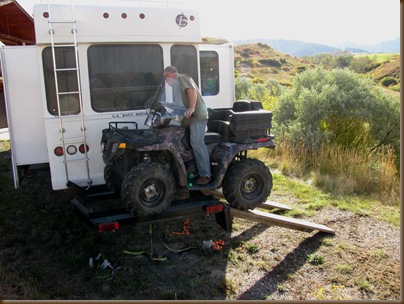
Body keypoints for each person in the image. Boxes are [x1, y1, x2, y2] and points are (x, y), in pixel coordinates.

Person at [163, 66, 211, 185]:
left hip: (197, 116)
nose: (165, 79)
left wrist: (192, 107)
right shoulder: (176, 86)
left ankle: (205, 175)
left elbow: (191, 91)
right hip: (189, 118)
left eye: (165, 76)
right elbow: (180, 102)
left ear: (172, 74)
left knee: (197, 143)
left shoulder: (181, 78)